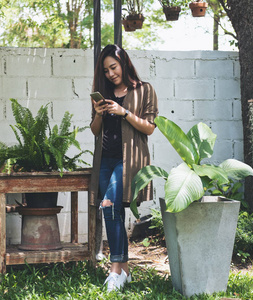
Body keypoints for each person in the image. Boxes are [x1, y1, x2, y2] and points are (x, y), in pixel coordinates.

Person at [89, 44, 158, 292]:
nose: (110, 74)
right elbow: (95, 131)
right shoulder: (104, 92)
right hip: (105, 160)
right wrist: (98, 114)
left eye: (113, 67)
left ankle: (115, 269)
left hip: (129, 160)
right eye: (106, 70)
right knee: (113, 210)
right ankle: (125, 271)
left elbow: (149, 127)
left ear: (124, 63)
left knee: (107, 204)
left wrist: (123, 111)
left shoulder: (144, 90)